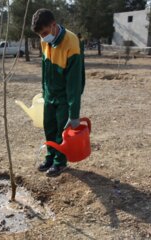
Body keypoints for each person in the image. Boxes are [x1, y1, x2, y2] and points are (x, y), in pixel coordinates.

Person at [31, 9, 85, 177]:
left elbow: (75, 82)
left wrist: (74, 113)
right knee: (49, 127)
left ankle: (59, 162)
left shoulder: (72, 42)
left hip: (64, 96)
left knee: (62, 131)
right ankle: (50, 157)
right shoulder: (44, 40)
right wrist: (44, 91)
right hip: (50, 95)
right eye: (40, 35)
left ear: (54, 25)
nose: (43, 37)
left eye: (45, 32)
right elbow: (45, 67)